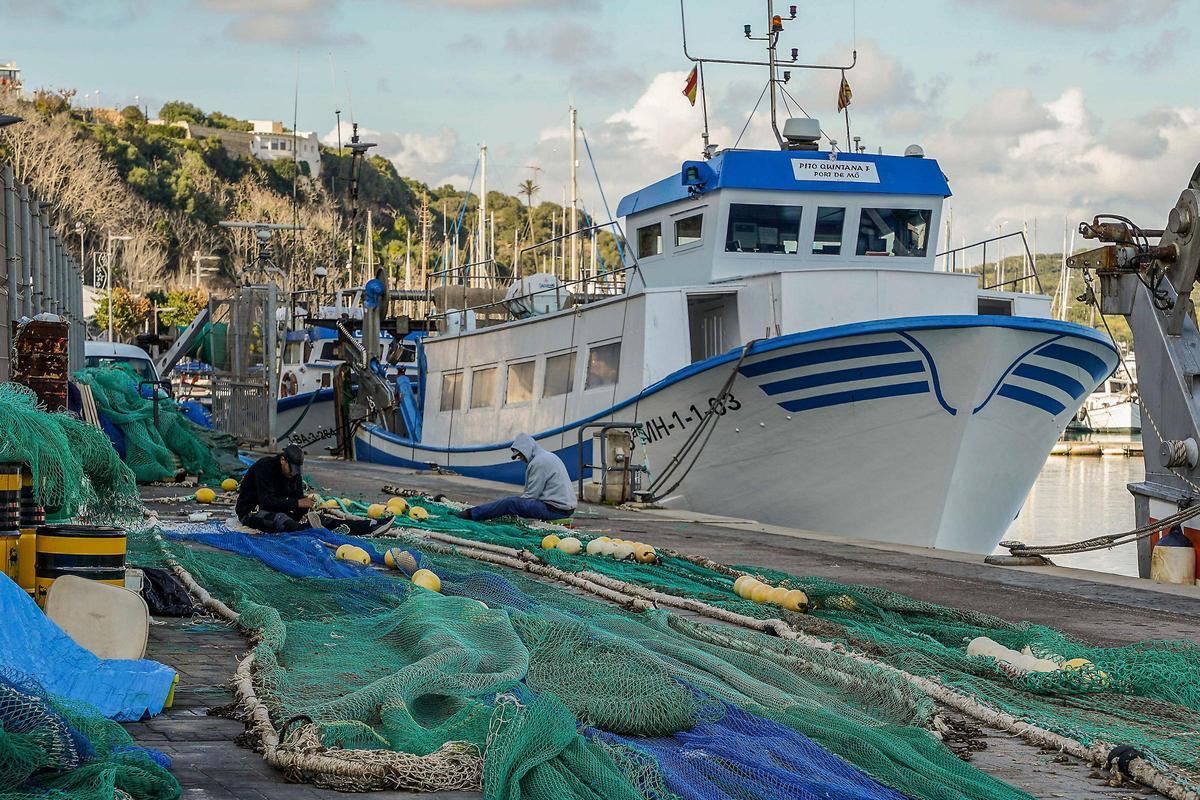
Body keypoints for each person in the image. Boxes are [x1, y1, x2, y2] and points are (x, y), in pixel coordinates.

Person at [236, 444, 391, 536]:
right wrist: (297, 504)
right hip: (252, 511)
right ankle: (310, 531)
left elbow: (298, 503)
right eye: (292, 469)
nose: (294, 474)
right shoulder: (265, 467)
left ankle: (367, 526)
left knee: (319, 518)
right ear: (283, 460)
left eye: (297, 470)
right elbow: (266, 502)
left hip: (280, 509)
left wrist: (308, 511)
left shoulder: (294, 473)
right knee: (282, 520)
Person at [457, 433, 577, 522]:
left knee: (510, 503)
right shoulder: (547, 456)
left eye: (520, 455)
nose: (520, 459)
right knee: (511, 503)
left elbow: (531, 496)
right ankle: (476, 513)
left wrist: (509, 507)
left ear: (526, 449)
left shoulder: (539, 462)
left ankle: (471, 514)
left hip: (555, 510)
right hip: (563, 508)